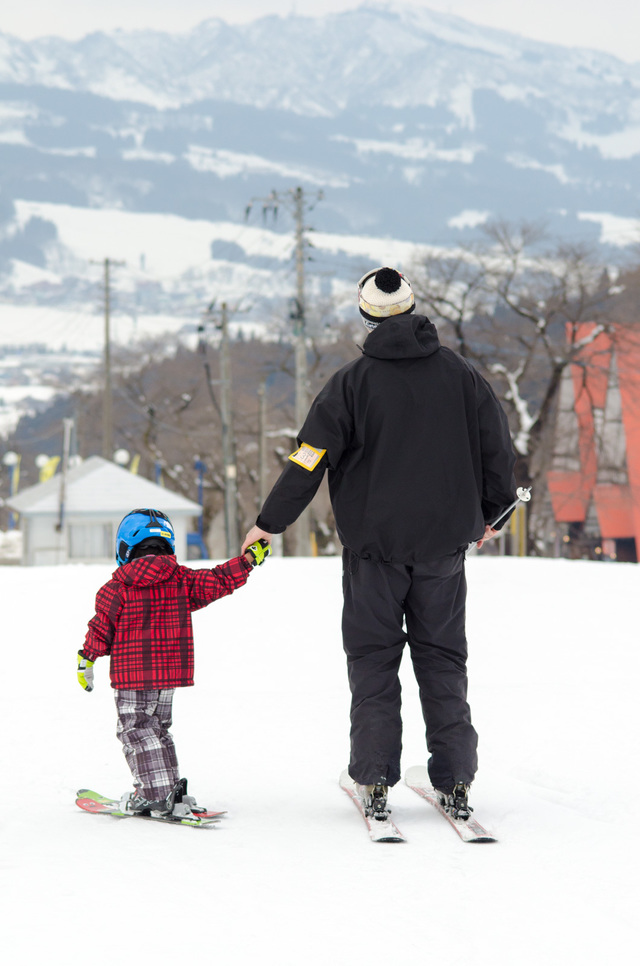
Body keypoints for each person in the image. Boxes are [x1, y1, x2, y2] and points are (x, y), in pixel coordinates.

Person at [242, 266, 516, 822]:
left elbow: (309, 458)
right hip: (444, 551)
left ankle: (372, 778)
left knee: (372, 660)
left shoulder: (349, 383)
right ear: (414, 308)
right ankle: (456, 777)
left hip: (372, 555)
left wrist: (269, 522)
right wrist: (494, 514)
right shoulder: (462, 376)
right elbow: (497, 449)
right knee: (443, 660)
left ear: (365, 316)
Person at [77, 507, 270, 818]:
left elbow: (101, 628)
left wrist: (86, 658)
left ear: (125, 547)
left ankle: (157, 794)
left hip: (132, 676)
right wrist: (247, 561)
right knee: (156, 728)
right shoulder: (179, 580)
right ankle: (169, 789)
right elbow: (217, 580)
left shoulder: (116, 589)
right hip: (170, 673)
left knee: (137, 729)